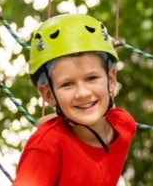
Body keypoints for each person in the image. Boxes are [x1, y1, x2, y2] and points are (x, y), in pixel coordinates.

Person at [13, 14, 136, 185]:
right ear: (49, 95)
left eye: (91, 78)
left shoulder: (124, 125)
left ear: (111, 80)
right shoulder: (46, 147)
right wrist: (47, 132)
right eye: (67, 84)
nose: (82, 93)